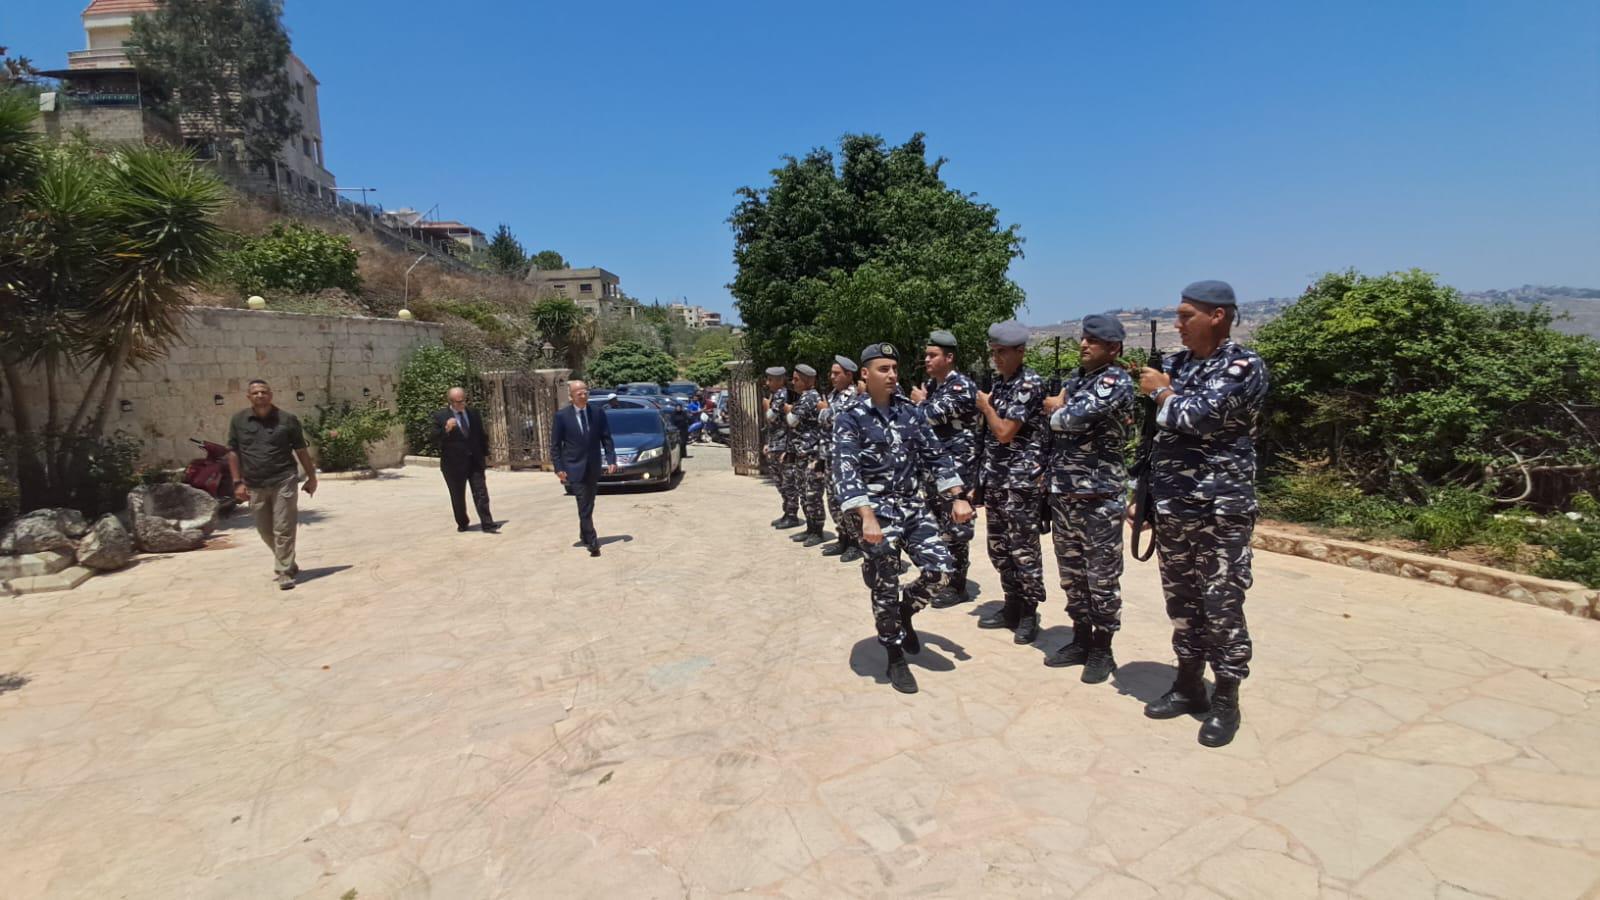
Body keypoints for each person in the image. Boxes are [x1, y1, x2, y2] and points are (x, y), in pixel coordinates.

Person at [1136, 280, 1269, 748]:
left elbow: (1198, 417)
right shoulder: (1175, 365)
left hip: (1220, 508)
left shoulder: (1242, 365)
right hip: (1174, 506)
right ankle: (1189, 683)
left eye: (1186, 316)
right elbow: (1154, 435)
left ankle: (1226, 698)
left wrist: (1161, 395)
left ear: (1218, 316)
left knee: (1222, 604)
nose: (1178, 325)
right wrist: (1143, 494)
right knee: (1182, 602)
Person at [833, 342, 974, 694]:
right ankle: (894, 654)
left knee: (941, 570)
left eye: (894, 368)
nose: (892, 375)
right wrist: (866, 516)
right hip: (875, 512)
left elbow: (936, 454)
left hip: (912, 507)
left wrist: (958, 496)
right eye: (884, 369)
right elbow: (846, 469)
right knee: (885, 582)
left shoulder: (910, 412)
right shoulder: (850, 416)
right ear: (865, 373)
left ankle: (905, 611)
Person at [1039, 315, 1136, 682]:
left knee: (1102, 577)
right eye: (1083, 338)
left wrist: (1056, 407)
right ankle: (1080, 638)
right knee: (1072, 574)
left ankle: (1102, 648)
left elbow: (1070, 419)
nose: (1083, 344)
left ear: (1113, 348)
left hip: (1099, 496)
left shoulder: (1115, 381)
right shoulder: (1077, 380)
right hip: (1066, 494)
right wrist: (1060, 404)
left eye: (1092, 340)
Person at [974, 321, 1050, 643]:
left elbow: (1005, 432)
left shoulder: (1029, 384)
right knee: (1000, 548)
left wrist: (986, 407)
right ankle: (1012, 604)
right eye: (993, 352)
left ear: (1020, 351)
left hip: (1021, 482)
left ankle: (1029, 612)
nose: (996, 358)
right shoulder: (1000, 384)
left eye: (1002, 352)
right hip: (996, 479)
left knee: (1023, 550)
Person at [910, 330, 981, 607]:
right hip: (935, 470)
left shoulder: (961, 386)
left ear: (949, 358)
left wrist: (921, 401)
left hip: (957, 470)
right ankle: (941, 579)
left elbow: (927, 416)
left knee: (955, 530)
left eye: (933, 355)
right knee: (937, 527)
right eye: (926, 355)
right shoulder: (933, 386)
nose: (927, 359)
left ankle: (957, 586)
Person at [226, 379, 317, 590]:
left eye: (264, 392)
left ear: (271, 395)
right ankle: (289, 562)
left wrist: (311, 477)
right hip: (254, 482)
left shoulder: (287, 420)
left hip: (284, 478)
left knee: (283, 527)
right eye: (255, 393)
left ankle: (283, 571)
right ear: (249, 397)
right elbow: (232, 451)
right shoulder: (238, 420)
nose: (260, 395)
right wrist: (237, 482)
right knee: (265, 530)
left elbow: (301, 450)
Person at [549, 380, 618, 557]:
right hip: (573, 466)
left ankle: (584, 533)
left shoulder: (597, 412)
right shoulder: (562, 416)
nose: (583, 395)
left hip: (593, 465)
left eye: (585, 392)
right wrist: (558, 467)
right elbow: (555, 445)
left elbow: (606, 438)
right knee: (583, 501)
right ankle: (593, 541)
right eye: (579, 393)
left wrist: (611, 459)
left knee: (589, 501)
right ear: (571, 396)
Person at [431, 387, 497, 533]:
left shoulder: (473, 413)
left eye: (464, 400)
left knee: (481, 492)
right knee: (457, 496)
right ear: (451, 402)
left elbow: (481, 435)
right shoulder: (440, 416)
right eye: (458, 402)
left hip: (474, 461)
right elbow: (434, 438)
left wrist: (485, 455)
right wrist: (446, 429)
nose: (462, 404)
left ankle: (487, 523)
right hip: (453, 465)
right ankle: (462, 522)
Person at [819, 356, 863, 562]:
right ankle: (843, 538)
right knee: (834, 501)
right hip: (831, 456)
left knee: (849, 502)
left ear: (849, 374)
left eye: (836, 373)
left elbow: (837, 419)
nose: (832, 377)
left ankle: (856, 543)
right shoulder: (833, 395)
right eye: (832, 373)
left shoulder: (854, 395)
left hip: (846, 459)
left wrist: (824, 412)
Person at [785, 364, 829, 546]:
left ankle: (817, 530)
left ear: (807, 381)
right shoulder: (804, 397)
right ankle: (810, 528)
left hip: (812, 453)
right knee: (804, 492)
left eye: (797, 379)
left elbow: (792, 421)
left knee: (813, 494)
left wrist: (788, 410)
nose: (793, 382)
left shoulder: (809, 397)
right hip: (802, 453)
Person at [763, 366, 801, 529]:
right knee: (780, 482)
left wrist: (766, 405)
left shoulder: (781, 395)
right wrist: (768, 443)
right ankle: (787, 512)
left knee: (787, 482)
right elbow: (772, 425)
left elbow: (770, 417)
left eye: (770, 380)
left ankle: (792, 515)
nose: (767, 383)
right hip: (776, 444)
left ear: (779, 380)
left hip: (783, 444)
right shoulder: (775, 395)